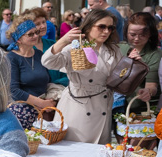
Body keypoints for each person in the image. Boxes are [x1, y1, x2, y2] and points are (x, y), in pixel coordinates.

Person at [41, 9, 119, 144]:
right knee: (73, 151)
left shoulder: (113, 50)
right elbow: (47, 62)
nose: (106, 31)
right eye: (101, 27)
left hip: (103, 104)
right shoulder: (75, 48)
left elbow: (119, 76)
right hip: (78, 105)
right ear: (89, 27)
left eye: (110, 28)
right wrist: (63, 41)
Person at [5, 15, 57, 129]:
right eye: (30, 34)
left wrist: (49, 101)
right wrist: (41, 103)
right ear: (19, 39)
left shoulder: (39, 54)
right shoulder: (12, 58)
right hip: (22, 111)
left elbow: (48, 81)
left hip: (43, 111)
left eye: (36, 32)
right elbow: (14, 90)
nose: (35, 36)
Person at [120, 12, 161, 105]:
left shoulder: (155, 54)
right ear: (126, 32)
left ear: (150, 34)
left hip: (141, 109)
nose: (136, 38)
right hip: (117, 106)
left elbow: (151, 86)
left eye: (142, 35)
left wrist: (148, 92)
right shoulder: (120, 47)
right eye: (132, 34)